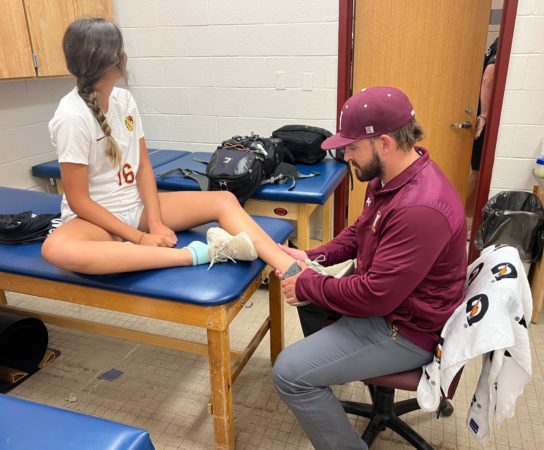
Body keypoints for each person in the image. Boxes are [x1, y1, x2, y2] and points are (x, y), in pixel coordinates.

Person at [272, 86, 468, 449]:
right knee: (314, 303)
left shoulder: (420, 209)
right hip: (394, 304)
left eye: (351, 147)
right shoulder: (389, 178)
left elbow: (375, 296)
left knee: (289, 373)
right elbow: (362, 231)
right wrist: (317, 256)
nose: (345, 155)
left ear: (385, 143)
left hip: (407, 330)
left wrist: (308, 285)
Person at [42, 17, 296, 276]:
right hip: (95, 222)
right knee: (57, 249)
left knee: (224, 200)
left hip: (137, 208)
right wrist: (138, 238)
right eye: (120, 50)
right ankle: (195, 255)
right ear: (110, 61)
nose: (125, 55)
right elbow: (78, 201)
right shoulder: (71, 116)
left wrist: (154, 222)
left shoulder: (124, 100)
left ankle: (292, 268)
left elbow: (142, 167)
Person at [465, 37, 498, 229]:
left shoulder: (495, 43)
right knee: (477, 173)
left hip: (479, 117)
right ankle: (466, 222)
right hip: (482, 121)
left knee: (475, 172)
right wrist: (484, 114)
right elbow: (489, 76)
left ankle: (466, 221)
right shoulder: (501, 43)